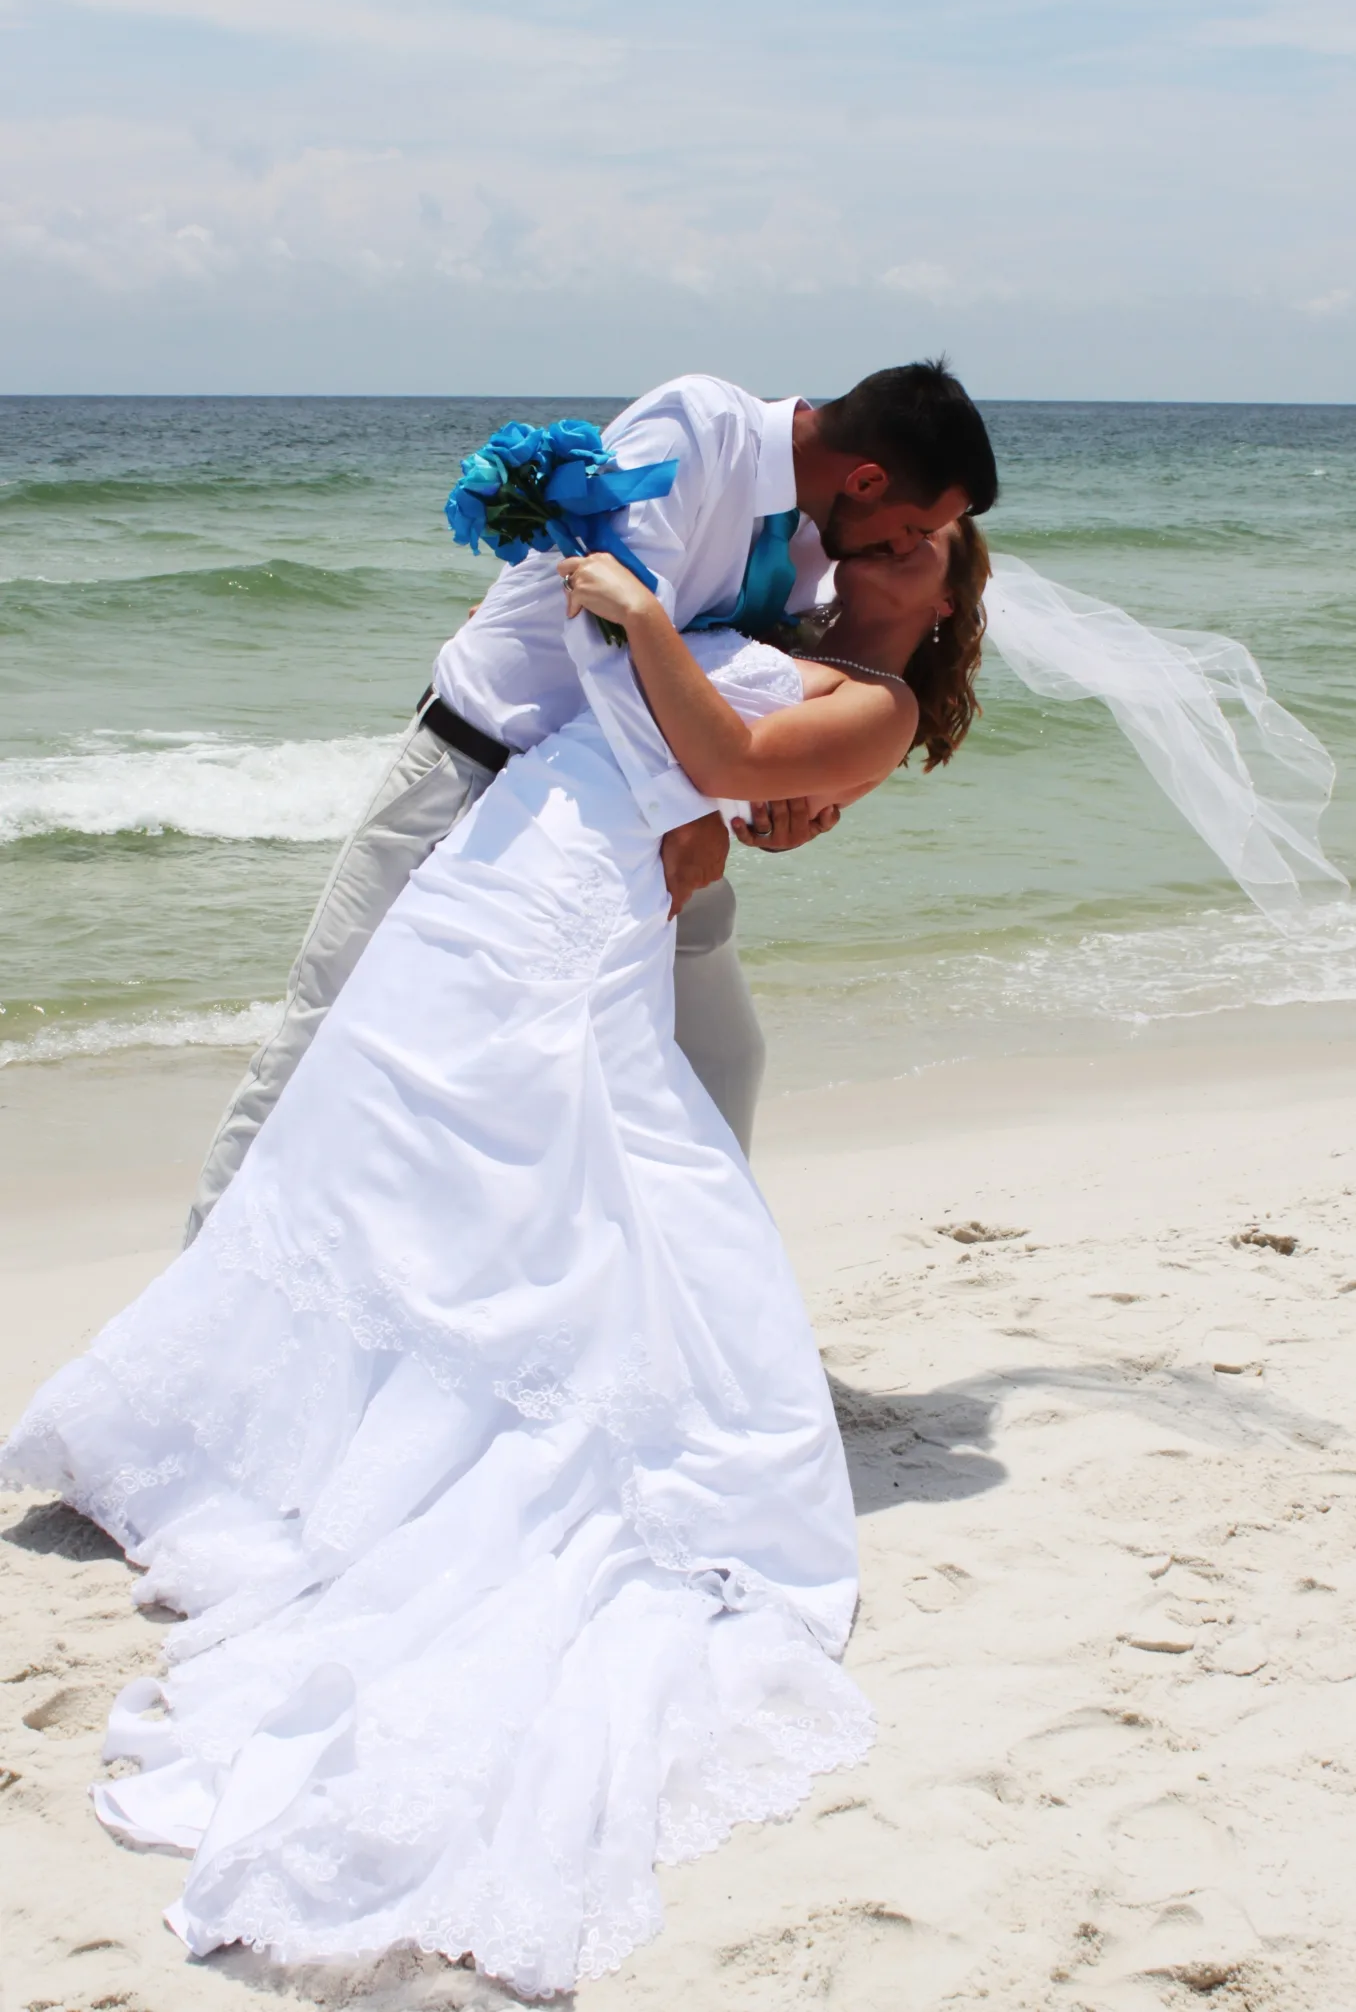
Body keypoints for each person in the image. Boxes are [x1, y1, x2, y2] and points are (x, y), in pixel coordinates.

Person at [0, 523, 989, 1997]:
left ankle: (613, 1380)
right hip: (547, 856)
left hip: (599, 894)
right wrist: (555, 599)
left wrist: (653, 641)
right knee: (448, 1136)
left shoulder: (884, 698)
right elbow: (696, 738)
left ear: (951, 599)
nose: (874, 552)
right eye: (884, 529)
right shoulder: (789, 610)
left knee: (626, 1152)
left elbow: (722, 746)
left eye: (915, 551)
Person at [183, 361, 998, 1240]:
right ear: (867, 480)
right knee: (330, 1026)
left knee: (669, 1066)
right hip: (476, 770)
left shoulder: (812, 548)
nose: (892, 549)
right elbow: (601, 622)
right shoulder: (694, 432)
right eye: (909, 525)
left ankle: (685, 1300)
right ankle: (206, 1274)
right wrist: (685, 809)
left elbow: (729, 681)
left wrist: (792, 795)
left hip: (618, 833)